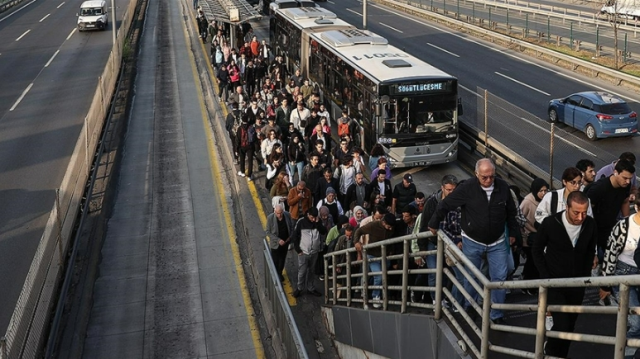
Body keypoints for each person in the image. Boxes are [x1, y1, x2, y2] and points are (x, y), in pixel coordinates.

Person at [428, 159, 518, 325]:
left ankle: (496, 313)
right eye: (484, 177)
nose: (489, 181)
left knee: (499, 278)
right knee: (471, 276)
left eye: (492, 177)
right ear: (477, 175)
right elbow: (446, 204)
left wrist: (513, 232)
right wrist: (434, 223)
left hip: (497, 242)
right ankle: (471, 306)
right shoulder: (467, 188)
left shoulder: (503, 187)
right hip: (472, 240)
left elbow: (511, 211)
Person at [532, 191, 598, 358]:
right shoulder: (550, 223)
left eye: (584, 212)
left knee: (571, 325)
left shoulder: (590, 224)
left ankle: (561, 355)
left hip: (578, 284)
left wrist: (586, 274)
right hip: (555, 284)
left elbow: (591, 249)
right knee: (562, 324)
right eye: (576, 212)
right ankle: (550, 351)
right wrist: (546, 277)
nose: (581, 217)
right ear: (567, 207)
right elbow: (536, 250)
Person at [600, 195, 640, 358]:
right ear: (637, 207)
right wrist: (605, 284)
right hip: (624, 274)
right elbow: (610, 254)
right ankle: (626, 355)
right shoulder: (624, 226)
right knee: (636, 321)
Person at [414, 175, 458, 303]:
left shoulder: (457, 201)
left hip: (450, 243)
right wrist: (422, 248)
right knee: (434, 272)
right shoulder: (431, 202)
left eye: (453, 190)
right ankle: (435, 300)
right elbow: (423, 225)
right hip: (433, 242)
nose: (451, 192)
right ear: (442, 188)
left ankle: (443, 298)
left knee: (447, 272)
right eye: (449, 190)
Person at [587, 160, 635, 270]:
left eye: (630, 178)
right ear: (615, 172)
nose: (628, 182)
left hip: (610, 227)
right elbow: (587, 210)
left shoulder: (626, 186)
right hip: (594, 229)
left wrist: (627, 221)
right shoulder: (599, 188)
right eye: (625, 178)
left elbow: (625, 201)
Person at [354, 213, 397, 308]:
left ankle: (367, 293)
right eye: (389, 227)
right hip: (372, 255)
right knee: (378, 275)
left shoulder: (392, 228)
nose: (390, 229)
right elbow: (359, 231)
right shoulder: (373, 225)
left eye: (391, 228)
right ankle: (375, 296)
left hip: (385, 256)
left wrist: (391, 252)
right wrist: (356, 242)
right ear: (383, 222)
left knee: (374, 276)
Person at [519, 178, 549, 294]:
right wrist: (527, 232)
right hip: (528, 237)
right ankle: (528, 284)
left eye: (545, 190)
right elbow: (520, 218)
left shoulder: (547, 200)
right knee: (532, 261)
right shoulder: (527, 202)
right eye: (541, 191)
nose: (543, 193)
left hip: (541, 236)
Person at [292, 208, 327, 298]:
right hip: (303, 252)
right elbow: (295, 236)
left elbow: (323, 231)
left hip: (314, 252)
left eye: (315, 218)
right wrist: (298, 250)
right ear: (308, 215)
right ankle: (300, 288)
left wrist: (318, 223)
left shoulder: (317, 222)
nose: (313, 219)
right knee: (302, 271)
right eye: (312, 217)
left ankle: (310, 288)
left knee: (312, 271)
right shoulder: (301, 222)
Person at [266, 204, 294, 282]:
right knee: (275, 260)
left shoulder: (287, 215)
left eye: (281, 213)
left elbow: (291, 227)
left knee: (282, 259)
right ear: (274, 212)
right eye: (278, 213)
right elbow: (268, 232)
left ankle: (279, 273)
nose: (279, 215)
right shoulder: (270, 218)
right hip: (275, 244)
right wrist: (278, 240)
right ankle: (275, 274)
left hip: (285, 243)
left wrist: (289, 237)